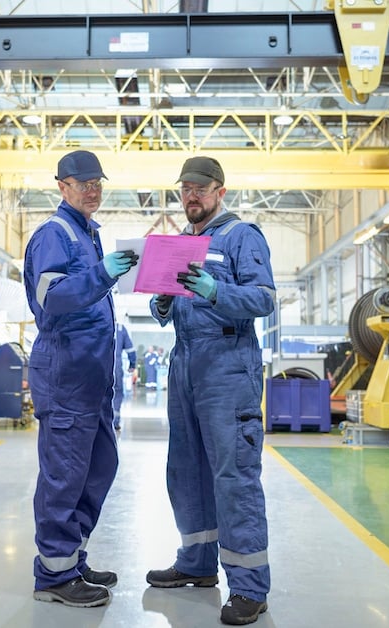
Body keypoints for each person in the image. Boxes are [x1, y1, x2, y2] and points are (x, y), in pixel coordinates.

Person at [146, 156, 276, 625]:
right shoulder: (180, 244)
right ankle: (198, 564)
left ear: (220, 191)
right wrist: (163, 302)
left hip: (227, 366)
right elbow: (170, 311)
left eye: (200, 188)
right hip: (185, 364)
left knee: (233, 473)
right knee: (187, 470)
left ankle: (249, 586)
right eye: (185, 189)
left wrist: (214, 290)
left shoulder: (242, 236)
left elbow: (263, 299)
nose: (191, 196)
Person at [23, 149, 139, 608]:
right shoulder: (55, 234)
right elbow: (53, 297)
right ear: (62, 186)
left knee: (98, 469)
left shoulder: (87, 235)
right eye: (82, 182)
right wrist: (102, 273)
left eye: (97, 182)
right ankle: (53, 575)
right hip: (66, 376)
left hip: (93, 382)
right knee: (64, 477)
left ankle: (71, 556)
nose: (92, 189)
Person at [112, 322, 136, 431]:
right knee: (116, 393)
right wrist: (132, 363)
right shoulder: (120, 328)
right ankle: (114, 422)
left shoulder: (94, 322)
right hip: (115, 365)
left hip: (97, 365)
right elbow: (130, 349)